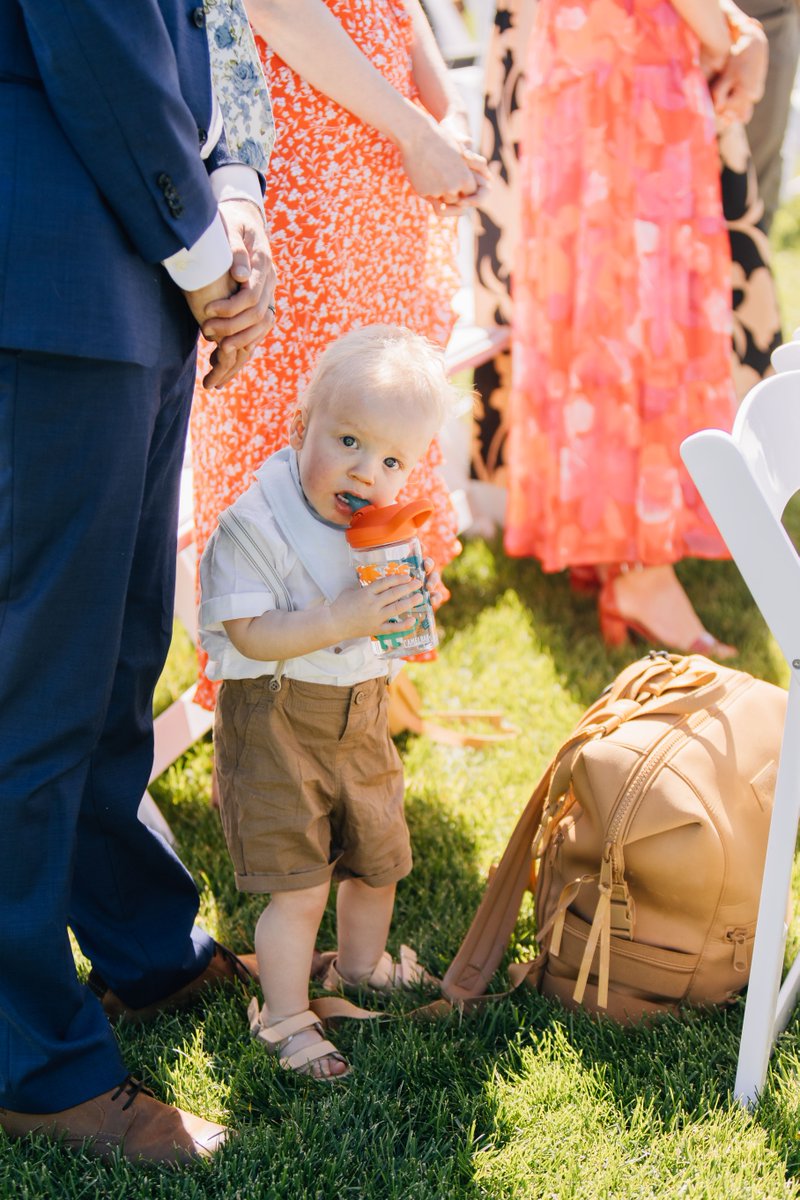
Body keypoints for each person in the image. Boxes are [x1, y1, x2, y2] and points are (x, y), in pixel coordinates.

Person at [0, 0, 277, 1165]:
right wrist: (207, 256)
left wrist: (229, 210)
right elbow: (96, 39)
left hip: (129, 268)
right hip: (50, 261)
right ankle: (28, 1057)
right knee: (35, 683)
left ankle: (141, 942)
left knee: (118, 653)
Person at [189, 0, 490, 712]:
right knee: (288, 420)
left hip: (380, 171)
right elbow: (275, 9)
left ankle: (357, 678)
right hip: (307, 155)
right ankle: (262, 712)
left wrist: (446, 114)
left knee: (381, 411)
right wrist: (417, 130)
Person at [199, 326, 455, 1080]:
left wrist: (408, 609)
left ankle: (359, 966)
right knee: (300, 883)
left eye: (391, 460)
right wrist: (339, 619)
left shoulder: (380, 533)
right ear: (298, 425)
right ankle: (282, 1016)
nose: (366, 471)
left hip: (360, 716)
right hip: (275, 720)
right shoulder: (258, 521)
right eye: (347, 440)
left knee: (378, 862)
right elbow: (247, 631)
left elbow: (399, 628)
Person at [474, 0, 766, 654]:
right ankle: (642, 568)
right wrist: (729, 39)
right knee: (642, 308)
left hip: (583, 72)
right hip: (635, 78)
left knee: (595, 300)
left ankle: (606, 537)